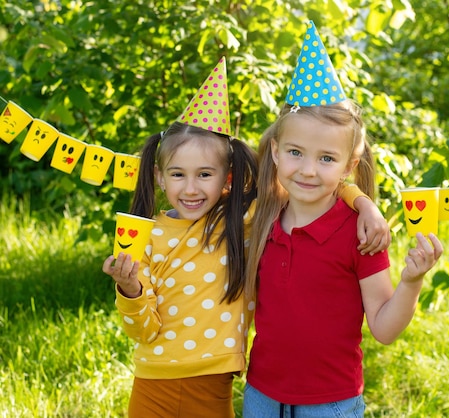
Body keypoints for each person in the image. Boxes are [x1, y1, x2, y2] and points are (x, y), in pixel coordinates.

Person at [102, 58, 390, 418]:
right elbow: (141, 330)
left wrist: (363, 203)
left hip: (215, 384)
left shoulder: (245, 219)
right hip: (152, 382)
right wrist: (130, 289)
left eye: (205, 174)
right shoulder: (145, 235)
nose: (191, 189)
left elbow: (313, 184)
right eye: (178, 174)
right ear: (160, 177)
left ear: (227, 178)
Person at [243, 22, 444, 417]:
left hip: (330, 403)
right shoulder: (263, 216)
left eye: (326, 159)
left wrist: (412, 281)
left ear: (349, 165)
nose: (308, 170)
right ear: (276, 153)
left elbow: (384, 330)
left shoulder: (359, 232)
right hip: (261, 395)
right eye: (296, 152)